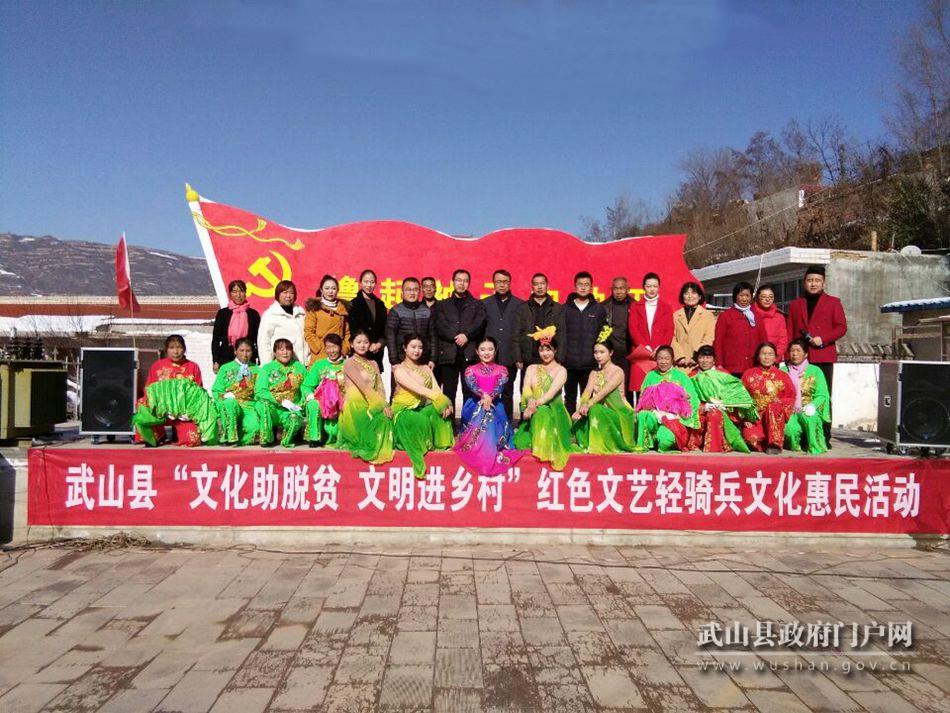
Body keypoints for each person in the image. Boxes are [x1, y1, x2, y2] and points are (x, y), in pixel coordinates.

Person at [786, 265, 847, 447]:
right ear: (804, 282)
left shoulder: (833, 302)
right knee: (798, 394)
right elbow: (790, 330)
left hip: (823, 356)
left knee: (822, 396)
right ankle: (803, 435)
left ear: (823, 283)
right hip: (799, 358)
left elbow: (841, 327)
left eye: (817, 281)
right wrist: (788, 355)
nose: (813, 284)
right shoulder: (796, 304)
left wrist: (824, 339)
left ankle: (824, 436)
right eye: (810, 280)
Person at [454, 336, 524, 475]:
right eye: (482, 349)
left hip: (495, 403)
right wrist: (484, 396)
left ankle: (490, 450)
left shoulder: (502, 370)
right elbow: (472, 385)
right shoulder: (470, 370)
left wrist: (489, 397)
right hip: (475, 404)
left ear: (495, 351)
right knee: (483, 413)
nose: (486, 353)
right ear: (477, 351)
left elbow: (499, 387)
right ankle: (484, 451)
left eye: (490, 349)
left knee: (490, 415)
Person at [132, 335, 217, 447]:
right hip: (162, 412)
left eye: (179, 347)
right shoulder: (157, 366)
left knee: (193, 440)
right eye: (171, 348)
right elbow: (149, 390)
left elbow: (198, 395)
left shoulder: (193, 367)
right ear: (166, 349)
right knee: (142, 403)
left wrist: (187, 412)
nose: (176, 352)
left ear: (184, 349)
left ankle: (178, 433)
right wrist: (161, 407)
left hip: (184, 414)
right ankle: (159, 435)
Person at [391, 334, 454, 478]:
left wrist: (445, 404)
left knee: (440, 412)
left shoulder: (426, 368)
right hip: (403, 412)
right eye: (413, 347)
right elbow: (422, 391)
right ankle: (423, 449)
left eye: (420, 347)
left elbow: (436, 390)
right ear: (405, 348)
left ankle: (442, 449)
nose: (417, 350)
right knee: (420, 420)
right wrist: (442, 400)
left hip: (420, 408)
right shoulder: (399, 370)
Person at [513, 327, 576, 470]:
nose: (545, 353)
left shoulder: (561, 370)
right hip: (533, 409)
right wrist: (530, 402)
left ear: (555, 350)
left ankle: (542, 453)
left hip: (554, 412)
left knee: (542, 412)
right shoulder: (532, 368)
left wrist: (535, 405)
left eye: (548, 350)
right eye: (541, 350)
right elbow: (526, 388)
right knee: (522, 440)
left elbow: (551, 394)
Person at [571, 328, 637, 454]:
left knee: (595, 408)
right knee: (581, 419)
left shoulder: (618, 372)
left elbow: (603, 393)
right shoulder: (594, 373)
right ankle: (593, 442)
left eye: (602, 352)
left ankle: (598, 445)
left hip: (618, 413)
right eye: (595, 352)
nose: (598, 356)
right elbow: (586, 392)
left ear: (611, 353)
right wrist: (580, 408)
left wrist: (587, 406)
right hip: (600, 411)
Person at [337, 331, 394, 464]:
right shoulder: (349, 363)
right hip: (355, 406)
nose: (362, 345)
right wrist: (381, 405)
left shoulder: (374, 363)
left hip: (373, 403)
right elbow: (364, 387)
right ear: (352, 344)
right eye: (358, 342)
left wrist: (385, 404)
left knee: (385, 419)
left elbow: (380, 388)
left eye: (366, 342)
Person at [433, 269, 487, 406]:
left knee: (470, 392)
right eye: (458, 280)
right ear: (453, 282)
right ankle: (449, 420)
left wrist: (466, 335)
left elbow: (480, 323)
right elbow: (440, 325)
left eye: (465, 281)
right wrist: (456, 337)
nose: (461, 284)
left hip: (469, 355)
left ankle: (467, 420)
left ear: (469, 283)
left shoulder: (477, 304)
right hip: (448, 355)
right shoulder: (442, 304)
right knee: (448, 392)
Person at [688, 345, 755, 453]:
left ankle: (714, 447)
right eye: (701, 357)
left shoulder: (723, 374)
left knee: (714, 414)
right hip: (701, 409)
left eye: (708, 357)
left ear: (714, 360)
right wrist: (703, 407)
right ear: (697, 359)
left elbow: (736, 395)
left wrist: (724, 404)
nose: (705, 361)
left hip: (723, 410)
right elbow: (688, 398)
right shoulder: (692, 376)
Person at [634, 345, 699, 452]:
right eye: (660, 358)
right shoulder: (650, 376)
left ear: (672, 360)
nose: (663, 362)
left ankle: (663, 440)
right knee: (643, 415)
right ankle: (644, 444)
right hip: (655, 416)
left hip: (673, 419)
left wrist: (680, 416)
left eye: (666, 358)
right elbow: (642, 398)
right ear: (656, 359)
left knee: (665, 441)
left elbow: (693, 399)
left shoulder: (681, 376)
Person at [559, 271, 608, 414]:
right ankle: (569, 425)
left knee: (588, 398)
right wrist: (561, 358)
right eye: (580, 284)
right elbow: (560, 334)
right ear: (575, 286)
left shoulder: (599, 309)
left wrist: (599, 357)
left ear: (591, 287)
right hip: (569, 363)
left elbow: (604, 334)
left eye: (587, 284)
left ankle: (587, 425)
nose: (583, 287)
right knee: (569, 398)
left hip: (590, 363)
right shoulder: (564, 309)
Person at [482, 269, 524, 419]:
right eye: (498, 282)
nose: (502, 285)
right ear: (493, 283)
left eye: (505, 282)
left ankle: (506, 424)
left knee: (507, 391)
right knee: (488, 391)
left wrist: (519, 356)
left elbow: (522, 332)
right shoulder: (484, 303)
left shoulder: (520, 305)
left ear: (510, 283)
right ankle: (488, 423)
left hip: (509, 356)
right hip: (489, 357)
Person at [741, 342, 796, 454]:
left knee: (774, 407)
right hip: (755, 418)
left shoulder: (783, 376)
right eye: (763, 354)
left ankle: (775, 444)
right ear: (758, 356)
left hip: (775, 417)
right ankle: (765, 442)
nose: (767, 357)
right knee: (751, 439)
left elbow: (791, 396)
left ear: (775, 358)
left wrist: (779, 402)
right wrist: (745, 418)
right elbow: (741, 398)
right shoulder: (748, 374)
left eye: (770, 354)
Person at [254, 338, 307, 447]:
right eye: (281, 349)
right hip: (272, 408)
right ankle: (267, 439)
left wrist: (300, 405)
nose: (285, 352)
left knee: (294, 420)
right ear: (275, 352)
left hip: (291, 409)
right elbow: (260, 391)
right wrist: (280, 401)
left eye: (288, 349)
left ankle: (287, 440)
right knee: (263, 405)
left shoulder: (300, 368)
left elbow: (306, 388)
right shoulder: (267, 368)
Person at [627, 272, 674, 393]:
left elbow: (669, 330)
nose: (652, 289)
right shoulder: (635, 306)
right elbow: (633, 328)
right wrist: (645, 347)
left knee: (659, 388)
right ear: (644, 287)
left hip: (659, 352)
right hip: (641, 352)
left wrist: (660, 348)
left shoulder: (666, 307)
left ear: (659, 287)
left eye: (655, 286)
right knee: (640, 388)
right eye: (649, 286)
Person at [782, 339, 831, 454]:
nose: (795, 354)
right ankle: (795, 447)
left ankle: (816, 448)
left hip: (808, 408)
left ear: (806, 354)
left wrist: (812, 406)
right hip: (790, 409)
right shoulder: (783, 371)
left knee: (810, 418)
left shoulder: (816, 371)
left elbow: (822, 394)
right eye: (792, 351)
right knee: (790, 430)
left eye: (798, 351)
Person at [212, 337, 262, 446]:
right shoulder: (225, 368)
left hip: (249, 405)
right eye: (241, 350)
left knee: (255, 428)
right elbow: (216, 389)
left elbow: (260, 391)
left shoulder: (257, 370)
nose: (245, 354)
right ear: (235, 351)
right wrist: (225, 396)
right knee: (229, 403)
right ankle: (229, 437)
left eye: (248, 351)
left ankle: (239, 440)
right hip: (230, 403)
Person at [513, 272, 562, 379]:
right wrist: (518, 357)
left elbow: (562, 335)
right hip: (529, 359)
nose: (539, 287)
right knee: (527, 388)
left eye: (542, 284)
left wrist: (559, 358)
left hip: (551, 358)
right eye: (536, 284)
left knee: (549, 387)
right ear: (532, 287)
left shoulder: (557, 308)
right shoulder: (522, 309)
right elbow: (516, 335)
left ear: (547, 286)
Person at [302, 333, 346, 447]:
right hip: (323, 403)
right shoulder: (319, 365)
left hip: (341, 404)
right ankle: (315, 438)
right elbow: (306, 386)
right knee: (313, 404)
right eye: (328, 347)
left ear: (340, 347)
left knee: (333, 431)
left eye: (334, 347)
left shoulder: (348, 364)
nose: (331, 351)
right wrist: (311, 396)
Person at [714, 282, 767, 377]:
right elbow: (718, 342)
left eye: (747, 296)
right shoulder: (726, 316)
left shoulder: (757, 317)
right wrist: (719, 364)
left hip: (753, 366)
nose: (744, 299)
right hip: (732, 367)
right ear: (735, 296)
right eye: (741, 295)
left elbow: (763, 341)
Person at [385, 277, 436, 367]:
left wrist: (433, 359)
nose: (412, 293)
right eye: (408, 289)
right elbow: (390, 337)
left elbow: (433, 336)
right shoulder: (396, 311)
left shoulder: (427, 311)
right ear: (402, 291)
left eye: (415, 289)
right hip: (401, 361)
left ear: (419, 291)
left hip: (423, 360)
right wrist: (394, 361)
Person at [211, 279, 261, 371]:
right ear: (230, 294)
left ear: (245, 293)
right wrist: (215, 361)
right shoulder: (223, 313)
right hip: (226, 357)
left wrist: (259, 359)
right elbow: (216, 339)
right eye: (234, 291)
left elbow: (258, 339)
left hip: (248, 357)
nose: (238, 295)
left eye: (241, 291)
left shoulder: (253, 314)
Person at [258, 280, 308, 365]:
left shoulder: (301, 313)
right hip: (281, 364)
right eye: (285, 292)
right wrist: (267, 366)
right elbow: (264, 341)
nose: (288, 296)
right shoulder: (270, 315)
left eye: (291, 293)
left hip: (303, 364)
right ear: (278, 294)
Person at [347, 269, 388, 372]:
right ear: (360, 283)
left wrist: (379, 344)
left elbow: (385, 329)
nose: (369, 285)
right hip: (359, 352)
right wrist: (366, 344)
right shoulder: (353, 304)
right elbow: (352, 329)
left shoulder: (380, 304)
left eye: (372, 282)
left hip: (376, 353)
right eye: (366, 282)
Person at [304, 275, 351, 366]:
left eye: (333, 288)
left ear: (337, 290)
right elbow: (309, 332)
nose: (330, 291)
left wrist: (345, 348)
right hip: (320, 355)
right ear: (321, 290)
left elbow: (347, 333)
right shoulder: (315, 308)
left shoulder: (342, 309)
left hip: (339, 354)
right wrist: (320, 348)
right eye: (327, 288)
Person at [671, 281, 716, 371]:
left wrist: (696, 356)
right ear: (682, 296)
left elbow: (708, 338)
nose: (690, 296)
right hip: (680, 364)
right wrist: (679, 356)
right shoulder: (675, 315)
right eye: (686, 293)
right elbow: (672, 337)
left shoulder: (707, 315)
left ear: (700, 296)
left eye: (693, 293)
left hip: (699, 363)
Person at [603, 276, 633, 397]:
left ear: (628, 289)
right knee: (611, 387)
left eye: (622, 288)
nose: (618, 292)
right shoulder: (604, 306)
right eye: (615, 288)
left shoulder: (635, 306)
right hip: (611, 354)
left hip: (630, 353)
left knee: (628, 388)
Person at [753, 284, 789, 361]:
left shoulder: (780, 317)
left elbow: (783, 340)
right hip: (754, 358)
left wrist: (775, 356)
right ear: (757, 298)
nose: (767, 299)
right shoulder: (750, 315)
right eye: (764, 297)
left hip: (774, 359)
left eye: (770, 297)